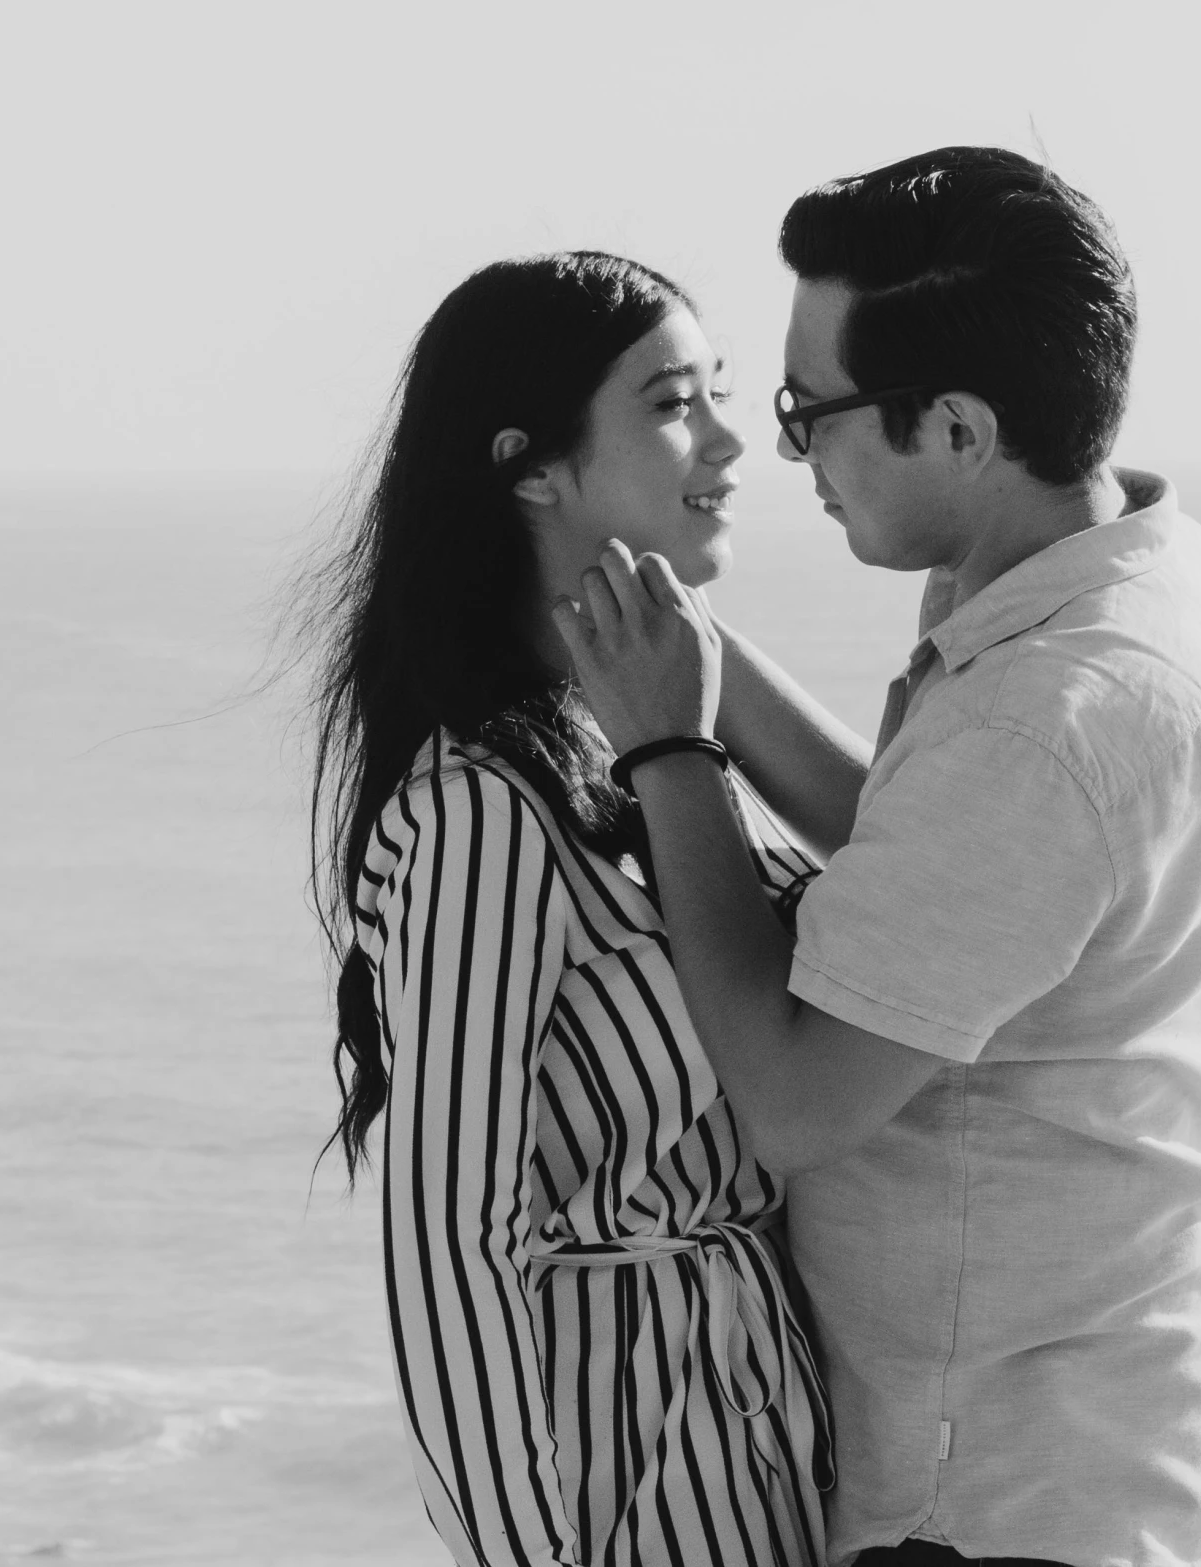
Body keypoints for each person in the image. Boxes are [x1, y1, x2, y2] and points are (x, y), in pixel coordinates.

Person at [555, 149, 1201, 1566]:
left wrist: (666, 753)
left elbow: (794, 1098)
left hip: (991, 1492)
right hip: (1109, 1404)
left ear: (953, 424)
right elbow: (930, 854)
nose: (780, 453)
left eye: (805, 411)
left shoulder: (1046, 721)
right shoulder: (1133, 564)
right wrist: (695, 662)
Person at [308, 251, 832, 1567]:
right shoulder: (483, 807)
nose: (726, 438)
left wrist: (682, 646)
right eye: (671, 403)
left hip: (781, 1453)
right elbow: (445, 1251)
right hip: (631, 1494)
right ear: (531, 467)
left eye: (718, 393)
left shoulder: (650, 744)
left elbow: (911, 872)